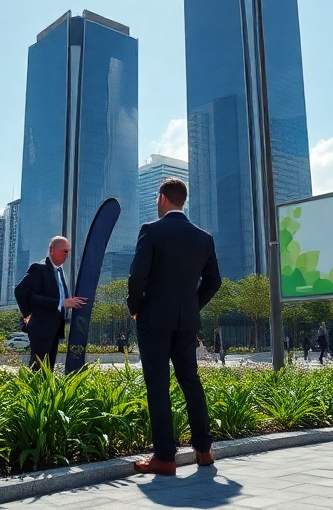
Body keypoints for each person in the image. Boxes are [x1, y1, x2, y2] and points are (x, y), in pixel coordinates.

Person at [127, 177, 222, 476]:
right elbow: (214, 281)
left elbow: (137, 276)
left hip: (153, 319)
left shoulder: (151, 230)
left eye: (157, 198)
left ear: (163, 198)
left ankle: (165, 457)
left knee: (158, 385)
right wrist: (192, 305)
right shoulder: (204, 238)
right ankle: (204, 451)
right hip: (186, 322)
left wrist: (135, 308)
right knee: (190, 381)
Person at [14, 236, 86, 369]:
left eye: (68, 252)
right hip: (41, 327)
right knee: (38, 368)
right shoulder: (38, 268)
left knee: (48, 368)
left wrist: (71, 303)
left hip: (55, 328)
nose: (67, 255)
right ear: (52, 250)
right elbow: (21, 291)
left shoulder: (59, 271)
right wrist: (27, 314)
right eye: (64, 251)